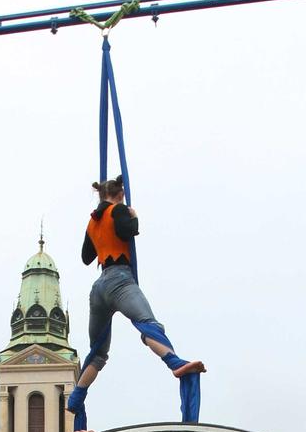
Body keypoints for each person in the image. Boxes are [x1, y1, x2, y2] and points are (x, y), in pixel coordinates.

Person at [66, 177, 204, 413]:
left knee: (98, 353)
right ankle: (174, 363)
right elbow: (128, 231)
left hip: (99, 288)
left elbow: (86, 257)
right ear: (120, 194)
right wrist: (134, 216)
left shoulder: (92, 222)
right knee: (148, 324)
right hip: (120, 281)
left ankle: (75, 400)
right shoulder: (118, 209)